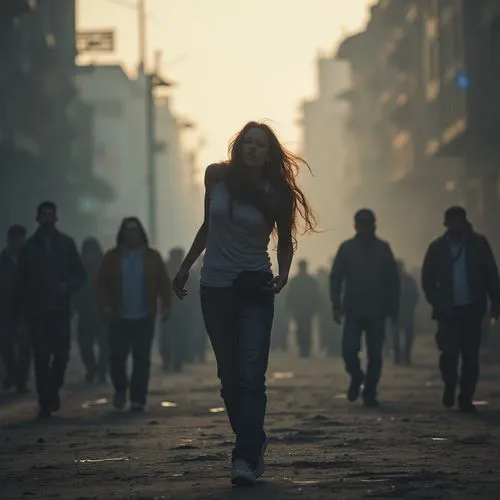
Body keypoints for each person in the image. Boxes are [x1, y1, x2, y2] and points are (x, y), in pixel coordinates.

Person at [172, 121, 316, 486]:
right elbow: (208, 226)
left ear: (269, 153)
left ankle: (245, 456)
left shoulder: (277, 192)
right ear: (238, 146)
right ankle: (253, 437)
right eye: (247, 142)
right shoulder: (215, 177)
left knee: (251, 375)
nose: (252, 149)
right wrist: (186, 266)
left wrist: (283, 275)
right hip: (215, 288)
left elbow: (284, 241)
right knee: (230, 377)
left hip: (254, 287)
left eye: (260, 145)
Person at [421, 206, 500, 413]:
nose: (456, 226)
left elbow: (491, 275)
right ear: (446, 225)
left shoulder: (479, 244)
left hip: (472, 309)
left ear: (465, 223)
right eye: (452, 222)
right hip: (447, 311)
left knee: (470, 356)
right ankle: (449, 384)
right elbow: (427, 278)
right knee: (448, 354)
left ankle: (466, 397)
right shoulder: (437, 247)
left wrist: (495, 303)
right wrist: (436, 302)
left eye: (459, 222)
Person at [95, 217, 172, 412]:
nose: (132, 235)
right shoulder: (111, 257)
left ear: (141, 233)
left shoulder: (152, 257)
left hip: (144, 317)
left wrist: (166, 306)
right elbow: (101, 283)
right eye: (128, 231)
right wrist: (104, 306)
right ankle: (120, 389)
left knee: (142, 359)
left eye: (135, 231)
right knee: (117, 357)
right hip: (118, 317)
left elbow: (164, 283)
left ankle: (138, 398)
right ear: (122, 234)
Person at [17, 202, 86, 418]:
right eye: (43, 215)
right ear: (37, 218)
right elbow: (21, 281)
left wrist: (66, 286)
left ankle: (52, 390)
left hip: (60, 310)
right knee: (40, 356)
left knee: (61, 356)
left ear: (56, 218)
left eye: (50, 215)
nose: (47, 219)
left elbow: (80, 275)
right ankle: (45, 402)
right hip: (37, 311)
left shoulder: (66, 244)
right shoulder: (29, 248)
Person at [330, 209, 399, 407]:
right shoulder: (347, 248)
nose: (364, 228)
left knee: (375, 355)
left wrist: (394, 307)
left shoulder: (383, 249)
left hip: (378, 309)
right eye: (361, 224)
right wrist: (336, 305)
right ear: (355, 226)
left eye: (367, 224)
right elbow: (336, 277)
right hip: (353, 309)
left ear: (373, 225)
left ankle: (370, 392)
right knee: (349, 351)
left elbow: (393, 280)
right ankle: (357, 375)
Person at [0, 224, 30, 393]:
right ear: (9, 240)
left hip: (26, 309)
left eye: (21, 238)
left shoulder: (30, 260)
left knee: (25, 347)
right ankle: (12, 372)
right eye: (15, 238)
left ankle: (21, 382)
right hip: (5, 309)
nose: (18, 242)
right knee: (6, 346)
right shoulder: (2, 261)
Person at [75, 237, 107, 384]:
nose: (90, 255)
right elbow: (75, 289)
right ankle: (92, 368)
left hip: (103, 310)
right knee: (85, 343)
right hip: (86, 311)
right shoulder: (79, 267)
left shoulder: (105, 266)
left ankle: (101, 370)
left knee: (105, 344)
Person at [286, 259, 318, 357]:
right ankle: (304, 349)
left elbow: (290, 296)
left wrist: (290, 308)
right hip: (304, 309)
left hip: (303, 309)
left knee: (303, 329)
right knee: (304, 329)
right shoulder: (310, 281)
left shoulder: (297, 281)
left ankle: (304, 349)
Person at [393, 259, 419, 365]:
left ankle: (404, 356)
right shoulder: (393, 280)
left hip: (405, 311)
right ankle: (399, 357)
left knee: (406, 335)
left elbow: (415, 295)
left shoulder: (407, 280)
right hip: (398, 311)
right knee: (397, 336)